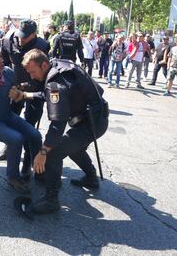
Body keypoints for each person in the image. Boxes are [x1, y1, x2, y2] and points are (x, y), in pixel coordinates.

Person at [12, 49, 108, 214]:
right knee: (72, 148)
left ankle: (51, 200)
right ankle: (91, 178)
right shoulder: (56, 66)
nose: (32, 77)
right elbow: (48, 95)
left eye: (33, 72)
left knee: (54, 151)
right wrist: (26, 95)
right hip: (94, 117)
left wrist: (43, 152)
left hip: (92, 123)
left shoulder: (55, 84)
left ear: (43, 64)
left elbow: (57, 124)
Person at [0, 44, 42, 194]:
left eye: (0, 56)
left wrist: (19, 92)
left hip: (7, 116)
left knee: (35, 135)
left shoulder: (8, 73)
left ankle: (36, 169)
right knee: (16, 139)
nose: (2, 60)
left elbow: (18, 89)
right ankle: (13, 177)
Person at [0, 19, 49, 176]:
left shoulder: (43, 45)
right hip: (14, 88)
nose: (21, 39)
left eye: (26, 36)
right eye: (20, 35)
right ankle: (9, 146)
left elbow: (44, 71)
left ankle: (27, 161)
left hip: (35, 90)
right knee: (10, 120)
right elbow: (3, 65)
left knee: (30, 126)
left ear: (34, 35)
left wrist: (27, 89)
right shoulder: (7, 40)